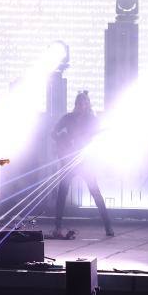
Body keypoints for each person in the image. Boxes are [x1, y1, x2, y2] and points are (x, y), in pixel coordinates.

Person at [50, 91, 113, 238]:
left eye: (84, 104)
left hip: (85, 162)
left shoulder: (92, 120)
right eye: (79, 104)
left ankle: (108, 226)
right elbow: (53, 133)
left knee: (95, 192)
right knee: (62, 194)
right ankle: (57, 227)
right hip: (69, 161)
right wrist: (63, 141)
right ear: (76, 105)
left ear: (88, 105)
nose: (81, 107)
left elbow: (99, 136)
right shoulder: (68, 118)